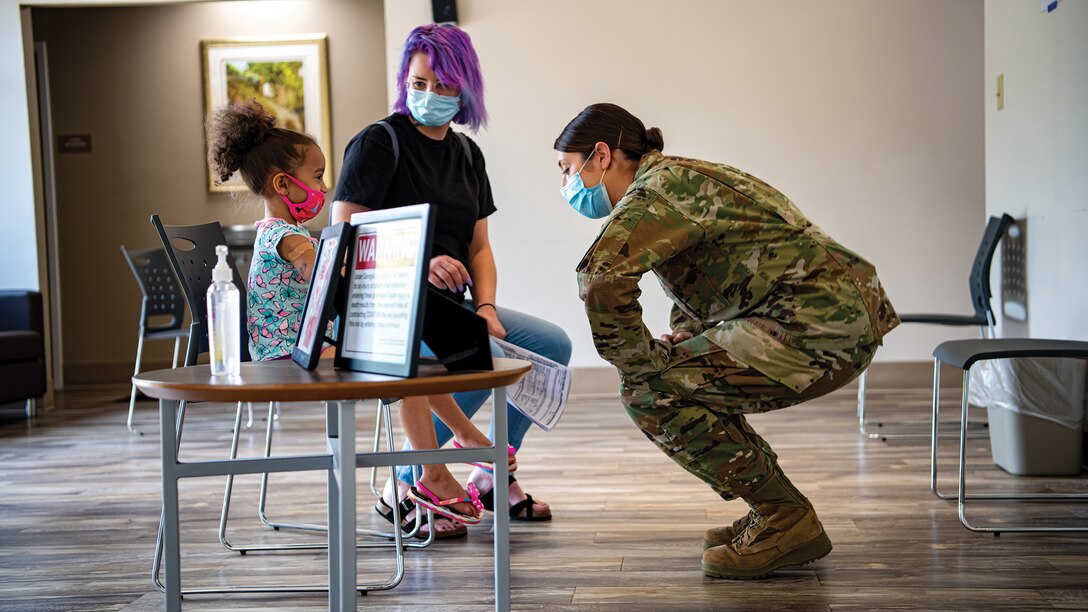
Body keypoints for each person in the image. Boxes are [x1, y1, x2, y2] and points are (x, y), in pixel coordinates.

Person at [553, 103, 900, 579]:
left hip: (815, 324)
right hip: (833, 312)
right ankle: (775, 509)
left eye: (568, 170)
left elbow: (600, 278)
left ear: (601, 156)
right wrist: (688, 336)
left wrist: (638, 361)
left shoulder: (655, 191)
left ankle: (783, 515)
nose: (566, 185)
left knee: (649, 390)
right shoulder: (677, 177)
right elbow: (710, 268)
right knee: (680, 373)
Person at [207, 99, 509, 524]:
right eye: (316, 177)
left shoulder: (289, 232)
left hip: (303, 347)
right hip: (286, 356)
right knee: (399, 367)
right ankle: (436, 469)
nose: (325, 186)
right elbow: (326, 278)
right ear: (282, 185)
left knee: (408, 364)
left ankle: (457, 442)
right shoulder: (283, 236)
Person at [332, 23, 572, 539]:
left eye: (443, 87)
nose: (430, 95)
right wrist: (418, 263)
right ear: (404, 81)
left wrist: (486, 305)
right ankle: (411, 479)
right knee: (463, 349)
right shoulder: (379, 143)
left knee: (549, 342)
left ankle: (487, 476)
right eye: (419, 83)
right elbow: (343, 233)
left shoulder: (467, 153)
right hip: (388, 306)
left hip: (455, 307)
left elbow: (479, 247)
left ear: (464, 90)